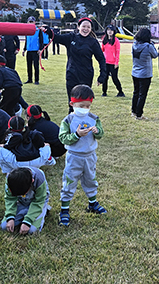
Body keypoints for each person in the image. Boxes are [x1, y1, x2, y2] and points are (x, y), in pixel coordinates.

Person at [58, 84, 106, 226]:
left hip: (90, 156)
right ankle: (64, 209)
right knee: (69, 181)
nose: (85, 109)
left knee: (91, 179)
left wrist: (98, 132)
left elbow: (101, 134)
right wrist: (76, 135)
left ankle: (92, 203)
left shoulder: (94, 118)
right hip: (74, 157)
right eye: (81, 105)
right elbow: (63, 138)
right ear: (72, 104)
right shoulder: (68, 120)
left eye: (88, 106)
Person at [45, 17, 107, 111]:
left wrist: (102, 76)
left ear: (91, 29)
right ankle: (71, 123)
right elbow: (56, 38)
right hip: (72, 74)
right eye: (83, 26)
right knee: (72, 102)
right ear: (78, 27)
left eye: (88, 27)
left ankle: (83, 123)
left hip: (86, 75)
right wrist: (49, 31)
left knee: (83, 102)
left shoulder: (93, 42)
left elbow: (101, 59)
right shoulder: (71, 37)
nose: (86, 29)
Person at [2, 167, 50, 235]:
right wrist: (10, 217)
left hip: (38, 202)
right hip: (21, 202)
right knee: (4, 226)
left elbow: (39, 201)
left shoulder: (39, 179)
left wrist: (27, 221)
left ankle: (43, 210)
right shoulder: (10, 179)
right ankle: (25, 212)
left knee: (32, 231)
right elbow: (10, 198)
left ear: (32, 181)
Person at [131, 28, 158, 120]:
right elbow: (155, 55)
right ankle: (139, 114)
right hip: (145, 74)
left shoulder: (134, 45)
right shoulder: (148, 46)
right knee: (142, 94)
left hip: (135, 71)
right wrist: (152, 44)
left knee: (136, 92)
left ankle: (134, 111)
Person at [101, 25, 125, 97]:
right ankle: (104, 92)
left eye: (111, 30)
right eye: (108, 30)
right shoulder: (104, 39)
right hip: (106, 62)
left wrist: (116, 63)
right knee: (105, 78)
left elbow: (117, 52)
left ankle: (120, 92)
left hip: (113, 63)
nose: (109, 32)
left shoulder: (116, 40)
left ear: (114, 31)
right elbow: (102, 50)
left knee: (115, 78)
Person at [23, 16, 42, 84]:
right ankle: (29, 79)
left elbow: (41, 40)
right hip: (29, 50)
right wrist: (24, 49)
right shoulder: (27, 31)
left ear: (35, 22)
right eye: (29, 22)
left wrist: (40, 49)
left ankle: (36, 80)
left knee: (36, 66)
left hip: (35, 50)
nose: (30, 23)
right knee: (29, 65)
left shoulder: (38, 30)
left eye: (32, 22)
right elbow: (26, 40)